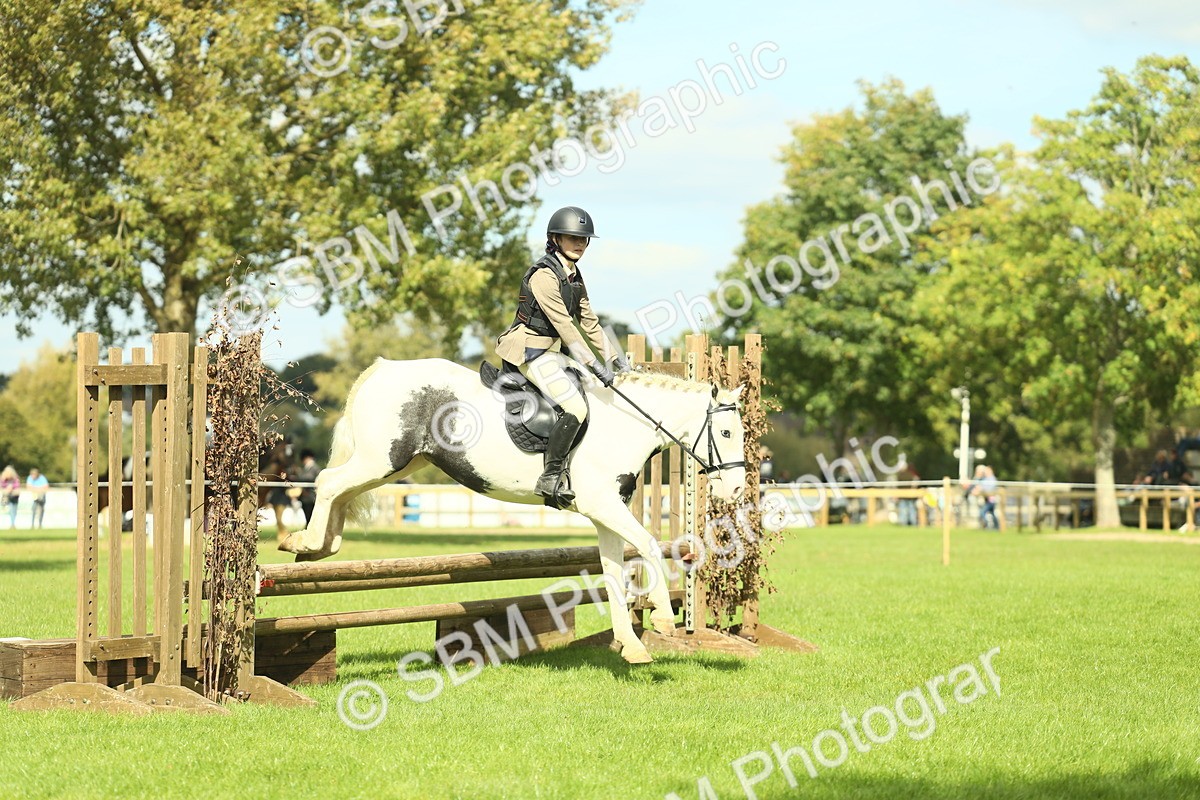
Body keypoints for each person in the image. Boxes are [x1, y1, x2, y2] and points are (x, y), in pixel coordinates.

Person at [494, 206, 629, 506]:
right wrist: (594, 364)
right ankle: (550, 476)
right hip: (528, 352)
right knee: (576, 408)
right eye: (571, 238)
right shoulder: (544, 275)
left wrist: (615, 360)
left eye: (583, 239)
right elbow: (566, 327)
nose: (579, 244)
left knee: (597, 395)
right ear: (555, 238)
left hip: (553, 353)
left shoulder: (575, 276)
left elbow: (589, 321)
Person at [295, 449, 320, 526]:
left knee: (311, 516)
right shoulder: (305, 468)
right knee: (307, 516)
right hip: (305, 497)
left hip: (311, 497)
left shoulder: (315, 468)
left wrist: (299, 473)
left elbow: (309, 478)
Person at [970, 464, 1000, 530]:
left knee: (982, 512)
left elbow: (987, 488)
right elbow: (978, 484)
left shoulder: (992, 479)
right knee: (992, 513)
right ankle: (997, 527)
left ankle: (986, 525)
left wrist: (979, 489)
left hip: (991, 500)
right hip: (987, 499)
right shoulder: (985, 479)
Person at [1, 465, 20, 529]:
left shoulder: (15, 479)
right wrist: (7, 488)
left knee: (13, 509)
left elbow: (17, 486)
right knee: (10, 509)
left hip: (14, 495)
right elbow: (2, 486)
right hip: (6, 496)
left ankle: (13, 524)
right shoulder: (3, 479)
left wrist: (11, 488)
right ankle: (12, 524)